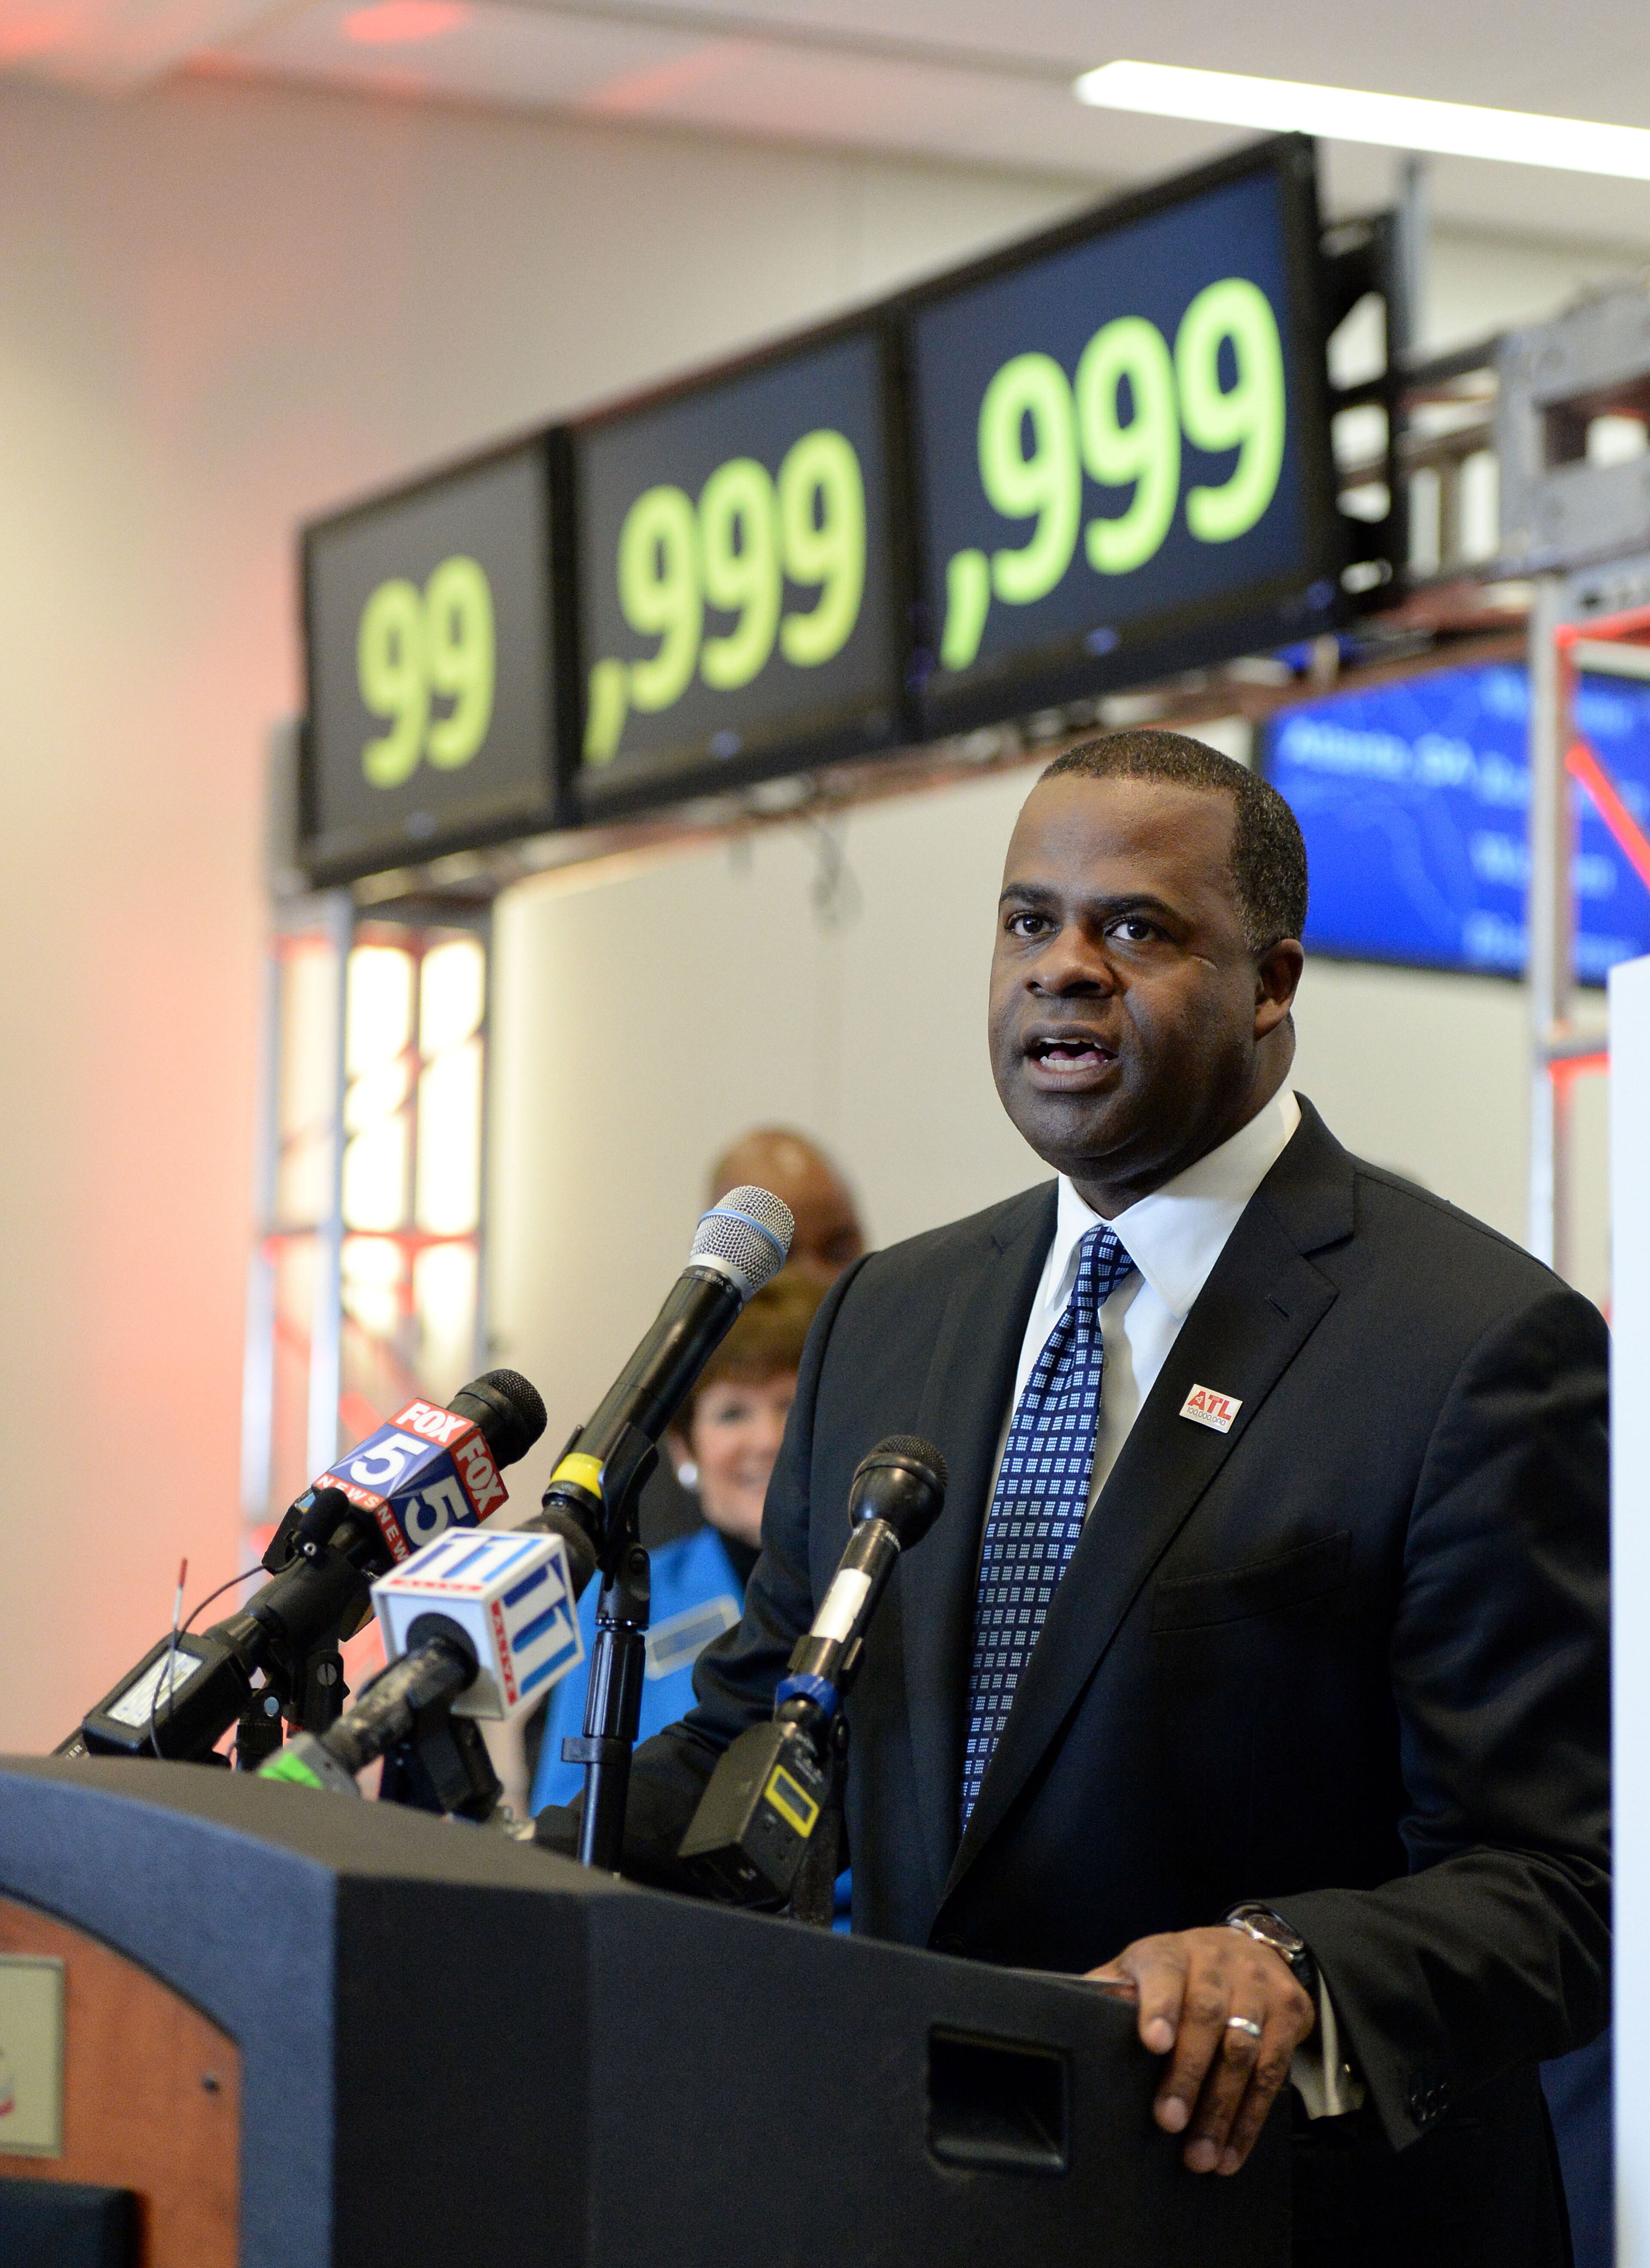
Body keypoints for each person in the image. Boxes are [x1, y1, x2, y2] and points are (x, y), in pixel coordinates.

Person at [571, 730, 1609, 2266]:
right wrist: (488, 1857)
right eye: (1028, 921)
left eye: (1135, 927)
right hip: (930, 2195)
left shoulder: (1471, 1341)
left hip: (1279, 2216)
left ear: (1270, 984)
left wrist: (1289, 1960)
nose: (1063, 966)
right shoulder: (888, 1315)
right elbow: (761, 1721)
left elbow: (1557, 1882)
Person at [529, 1270, 825, 1813]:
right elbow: (568, 1810)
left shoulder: (884, 1584)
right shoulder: (618, 1600)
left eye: (791, 1406)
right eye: (733, 1413)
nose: (768, 1439)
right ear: (686, 1451)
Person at [639, 1129, 866, 1550]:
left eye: (837, 1251)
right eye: (784, 1256)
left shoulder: (905, 1394)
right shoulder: (636, 1474)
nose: (816, 1281)